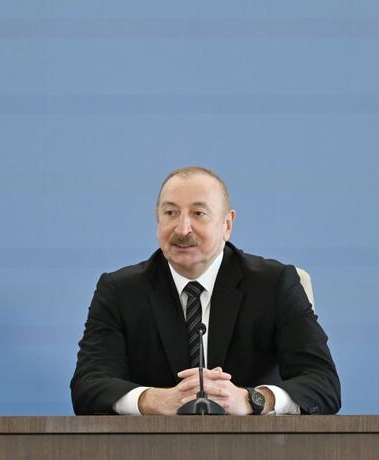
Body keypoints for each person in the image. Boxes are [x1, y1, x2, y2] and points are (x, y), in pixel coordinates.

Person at [70, 166, 341, 415]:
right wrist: (153, 400)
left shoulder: (274, 284)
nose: (182, 229)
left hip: (256, 444)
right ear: (157, 220)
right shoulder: (120, 291)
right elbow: (88, 386)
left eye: (198, 214)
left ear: (227, 224)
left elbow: (323, 384)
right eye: (170, 213)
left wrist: (252, 399)